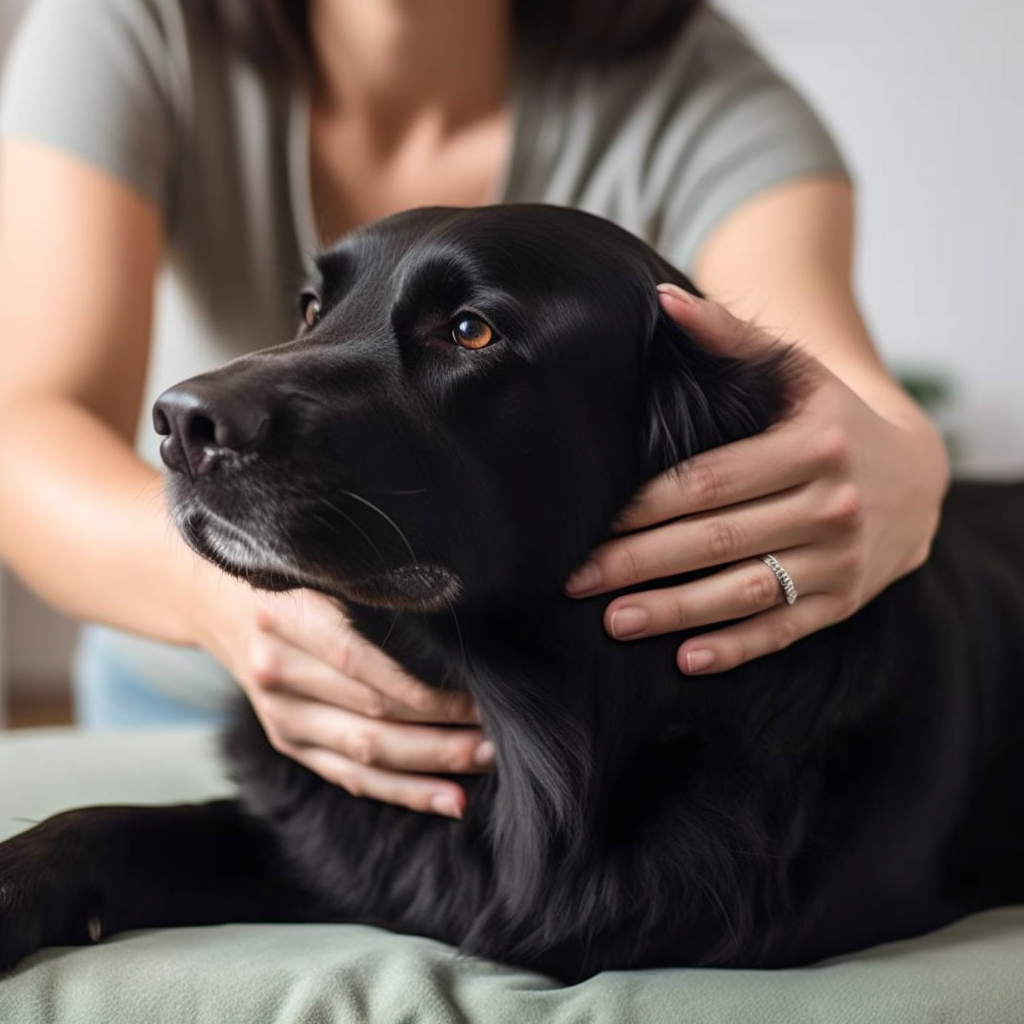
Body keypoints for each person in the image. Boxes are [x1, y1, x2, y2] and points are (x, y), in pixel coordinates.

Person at [0, 0, 948, 819]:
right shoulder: (137, 24)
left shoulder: (715, 104)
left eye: (469, 332)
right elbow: (25, 424)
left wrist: (898, 469)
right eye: (311, 315)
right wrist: (223, 610)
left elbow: (840, 411)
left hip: (546, 741)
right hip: (185, 687)